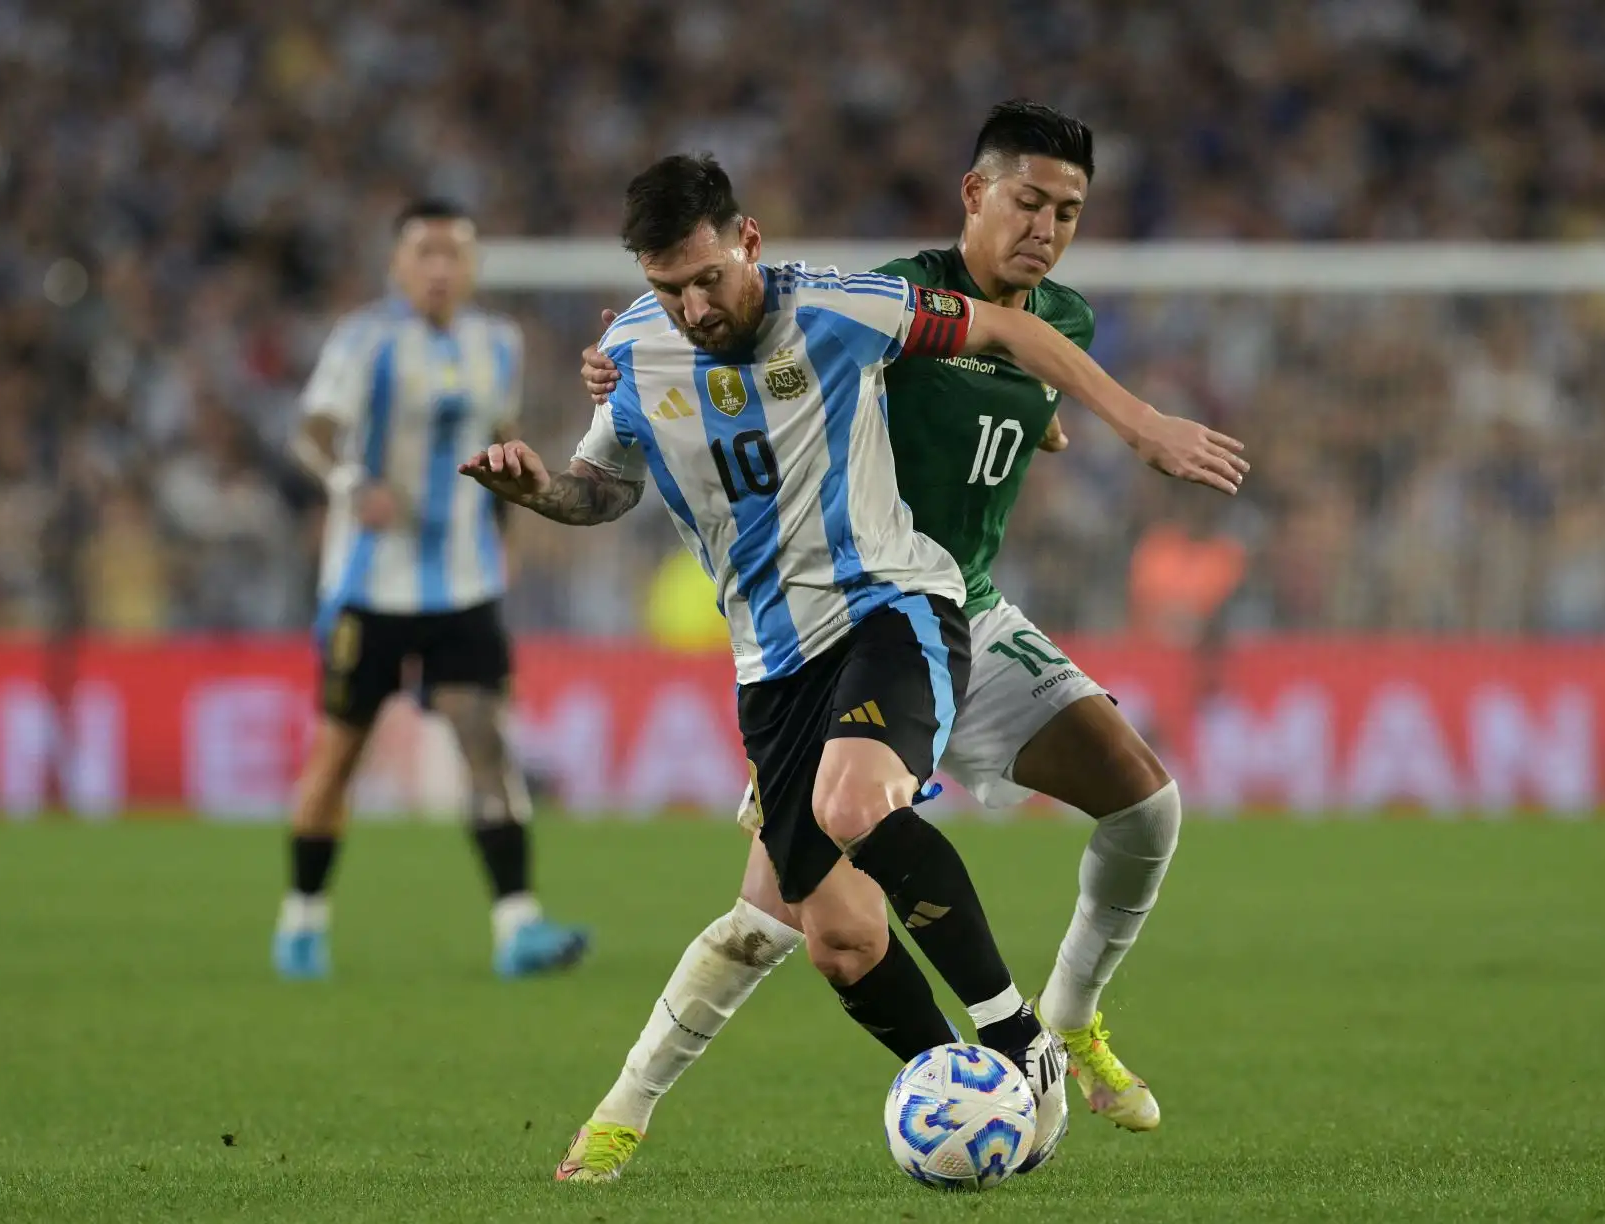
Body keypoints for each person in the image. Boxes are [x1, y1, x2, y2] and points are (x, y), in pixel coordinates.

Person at [463, 150, 1246, 1183]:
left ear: (748, 241)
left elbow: (1006, 326)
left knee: (856, 801)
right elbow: (602, 490)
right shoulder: (635, 350)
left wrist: (1137, 424)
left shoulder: (840, 307)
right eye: (668, 289)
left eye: (708, 278)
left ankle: (1019, 1038)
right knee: (835, 939)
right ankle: (980, 1100)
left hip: (891, 605)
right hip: (770, 671)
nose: (695, 307)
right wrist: (538, 494)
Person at [274, 199, 589, 981]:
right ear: (397, 264)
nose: (441, 268)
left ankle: (518, 926)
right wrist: (353, 482)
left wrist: (508, 536)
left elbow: (506, 444)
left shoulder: (499, 343)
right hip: (370, 587)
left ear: (474, 266)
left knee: (486, 742)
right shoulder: (364, 339)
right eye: (425, 253)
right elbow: (310, 431)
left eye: (455, 254)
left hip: (463, 585)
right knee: (337, 759)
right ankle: (303, 918)